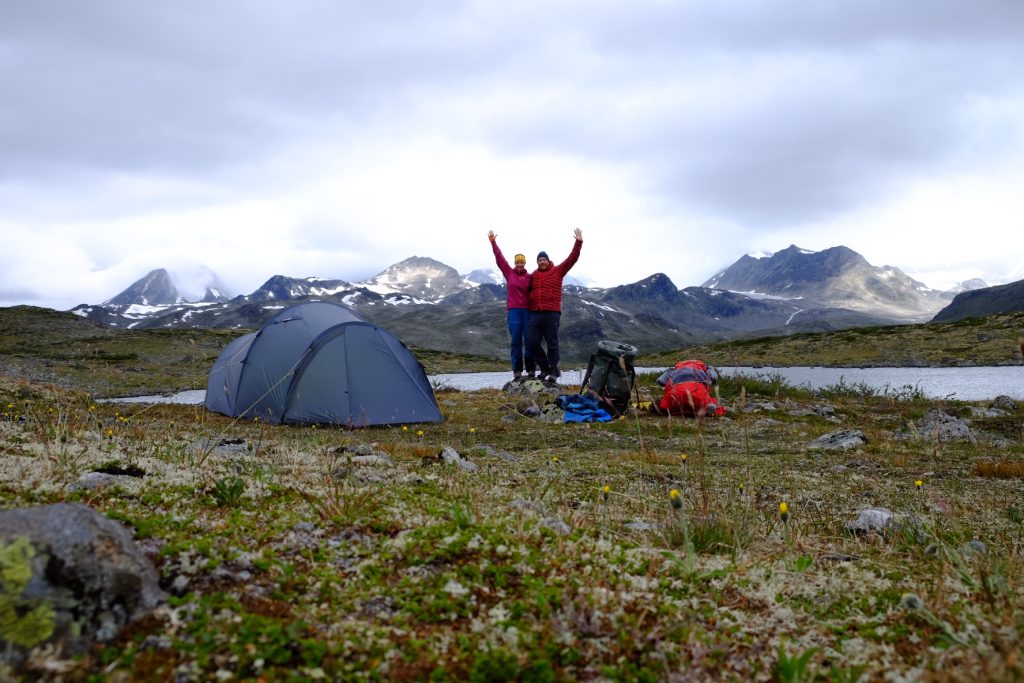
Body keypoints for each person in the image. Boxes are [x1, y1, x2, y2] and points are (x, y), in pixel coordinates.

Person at [527, 228, 583, 382]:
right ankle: (545, 367)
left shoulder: (558, 271)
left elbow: (572, 259)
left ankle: (554, 373)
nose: (541, 262)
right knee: (531, 342)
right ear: (537, 262)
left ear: (548, 260)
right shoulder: (533, 276)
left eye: (543, 259)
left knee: (552, 344)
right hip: (535, 312)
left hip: (551, 312)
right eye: (539, 260)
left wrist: (578, 242)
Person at [488, 230, 533, 380]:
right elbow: (499, 259)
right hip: (514, 311)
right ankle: (517, 371)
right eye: (518, 262)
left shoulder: (530, 277)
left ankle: (531, 370)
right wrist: (493, 242)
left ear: (525, 263)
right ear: (515, 263)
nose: (520, 264)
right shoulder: (509, 273)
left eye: (522, 262)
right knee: (516, 341)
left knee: (529, 340)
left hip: (528, 311)